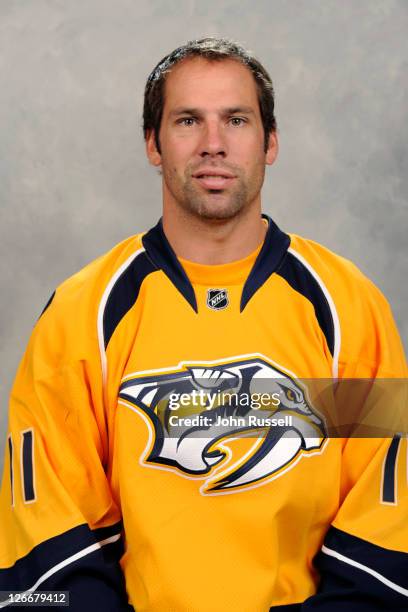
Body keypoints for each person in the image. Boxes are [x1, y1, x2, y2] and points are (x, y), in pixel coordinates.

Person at [0, 37, 407, 611]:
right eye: (188, 120)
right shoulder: (84, 313)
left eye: (236, 120)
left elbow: (385, 513)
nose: (213, 144)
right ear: (153, 143)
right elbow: (45, 526)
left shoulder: (343, 308)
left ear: (270, 143)